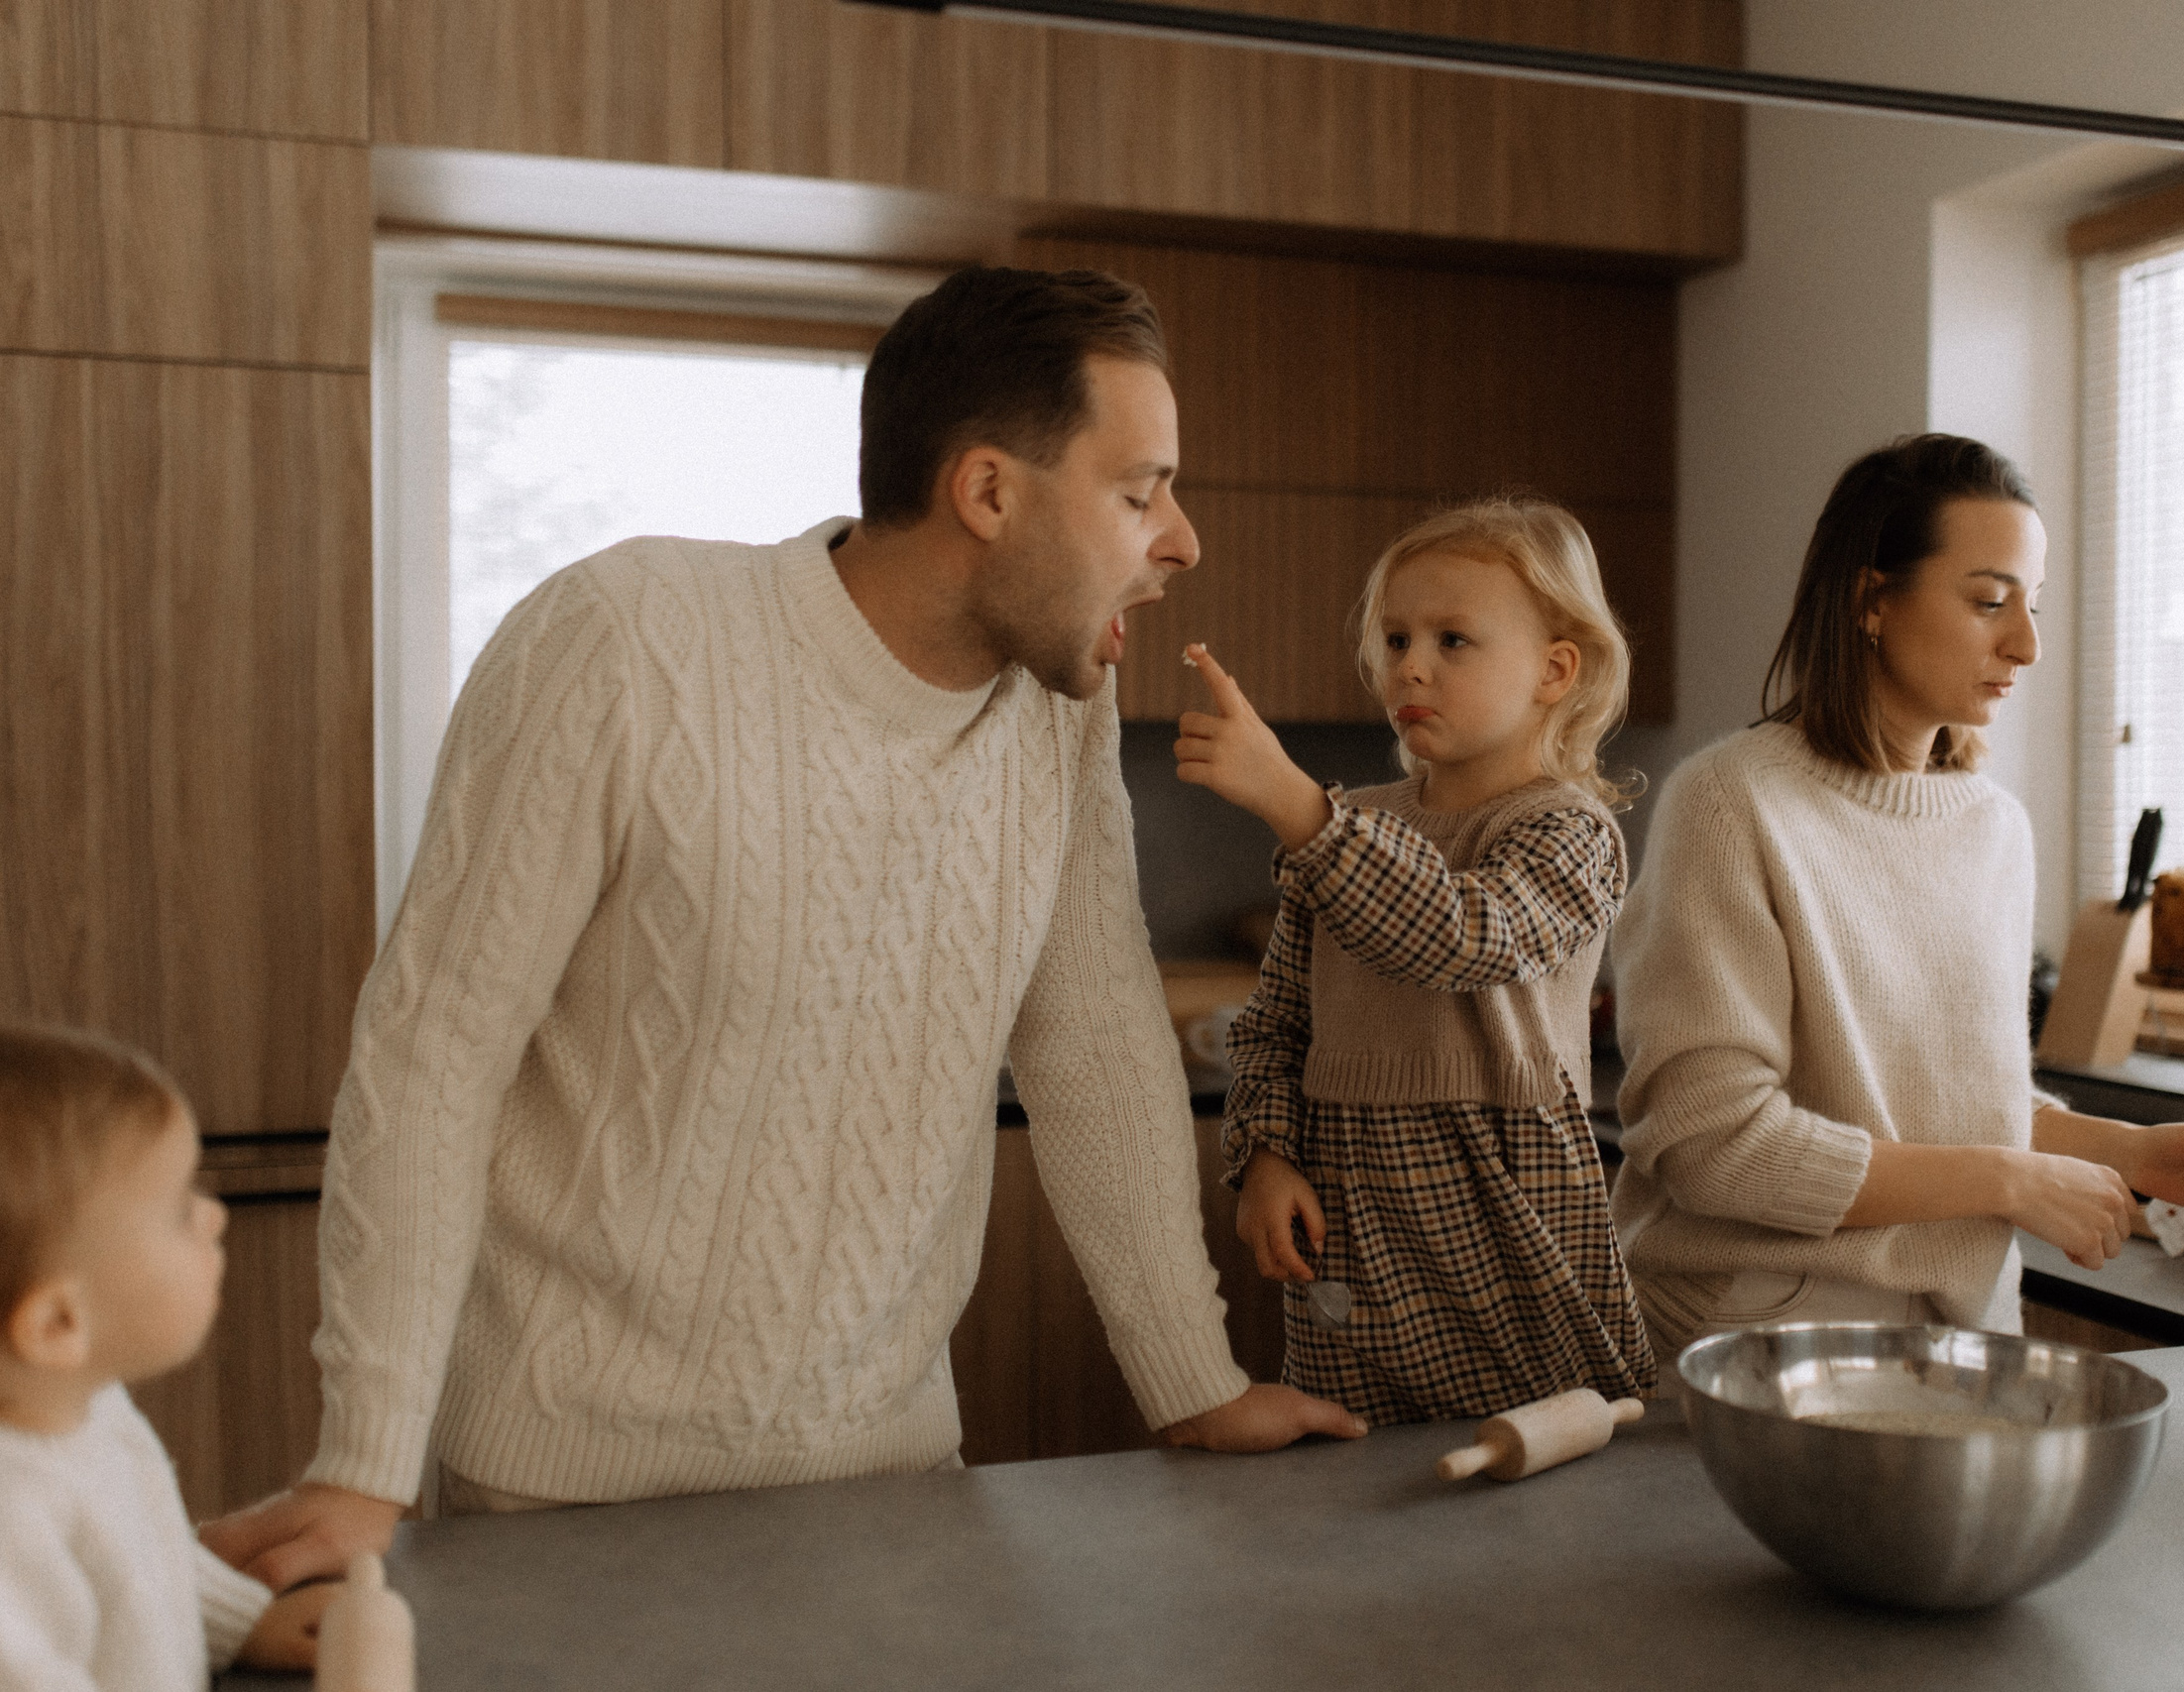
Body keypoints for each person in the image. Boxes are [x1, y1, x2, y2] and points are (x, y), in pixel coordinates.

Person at [200, 267, 1364, 1593]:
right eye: (1140, 491)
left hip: (894, 1489)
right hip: (564, 1495)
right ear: (987, 493)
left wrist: (1195, 1383)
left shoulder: (1058, 713)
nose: (1183, 542)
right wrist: (364, 1462)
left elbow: (1093, 1041)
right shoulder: (622, 638)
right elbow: (432, 1057)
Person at [1609, 434, 2184, 1358]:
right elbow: (1715, 1147)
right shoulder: (1732, 805)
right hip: (1760, 1345)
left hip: (1968, 1342)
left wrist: (2131, 1152)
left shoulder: (1993, 829)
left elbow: (1955, 1109)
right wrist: (2011, 1181)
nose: (2027, 643)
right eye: (1988, 601)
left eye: (2032, 604)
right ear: (1871, 600)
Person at [1174, 497, 1657, 1422]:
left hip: (1501, 1204)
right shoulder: (1352, 822)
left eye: (1452, 640)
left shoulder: (1570, 831)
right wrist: (1266, 1153)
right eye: (1396, 638)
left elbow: (1465, 937)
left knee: (1546, 1461)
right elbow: (1275, 1024)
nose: (1410, 665)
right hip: (1350, 1211)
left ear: (1555, 670)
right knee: (1357, 1467)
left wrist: (1298, 806)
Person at [0, 1022, 337, 1685]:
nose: (215, 1216)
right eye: (180, 1209)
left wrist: (240, 1621)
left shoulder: (90, 1403)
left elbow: (141, 1548)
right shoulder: (14, 1521)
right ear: (59, 1324)